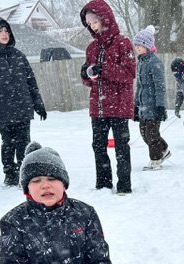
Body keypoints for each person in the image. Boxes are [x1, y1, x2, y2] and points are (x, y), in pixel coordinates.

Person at [0, 16, 47, 187]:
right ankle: (10, 174)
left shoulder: (18, 55)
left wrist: (38, 104)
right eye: (0, 31)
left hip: (22, 107)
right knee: (8, 143)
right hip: (1, 110)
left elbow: (31, 82)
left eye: (6, 31)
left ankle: (24, 174)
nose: (4, 34)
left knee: (24, 143)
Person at [80, 0, 136, 194]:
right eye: (88, 22)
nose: (92, 25)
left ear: (105, 18)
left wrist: (104, 69)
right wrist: (86, 74)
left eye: (94, 20)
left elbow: (129, 74)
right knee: (98, 146)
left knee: (121, 147)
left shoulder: (123, 43)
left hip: (119, 106)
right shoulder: (91, 48)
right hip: (98, 106)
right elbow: (89, 81)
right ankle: (103, 184)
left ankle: (124, 185)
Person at [133, 26, 171, 171]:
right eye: (136, 44)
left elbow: (160, 87)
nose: (137, 47)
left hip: (153, 107)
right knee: (144, 134)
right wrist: (136, 107)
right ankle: (164, 149)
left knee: (152, 135)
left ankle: (156, 161)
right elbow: (139, 87)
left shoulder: (155, 63)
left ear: (147, 46)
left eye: (140, 45)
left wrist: (160, 106)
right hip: (143, 108)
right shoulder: (141, 62)